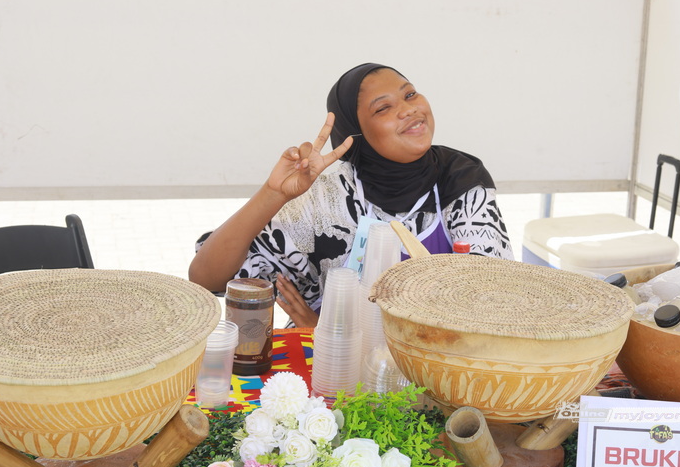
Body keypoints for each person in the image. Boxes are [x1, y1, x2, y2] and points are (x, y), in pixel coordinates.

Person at [189, 63, 514, 327]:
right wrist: (273, 194)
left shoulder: (461, 181)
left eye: (410, 94)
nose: (408, 110)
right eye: (384, 108)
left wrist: (330, 332)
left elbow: (492, 305)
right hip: (332, 369)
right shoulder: (329, 199)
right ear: (355, 134)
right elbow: (209, 279)